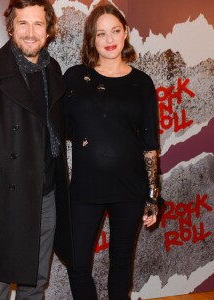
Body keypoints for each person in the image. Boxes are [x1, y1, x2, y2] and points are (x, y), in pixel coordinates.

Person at [0, 0, 72, 299]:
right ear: (10, 27)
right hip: (0, 204)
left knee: (36, 284)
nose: (31, 32)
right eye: (23, 23)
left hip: (46, 196)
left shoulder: (53, 70)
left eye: (38, 24)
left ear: (48, 30)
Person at [64, 4, 160, 300]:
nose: (109, 39)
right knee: (77, 264)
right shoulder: (74, 78)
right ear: (91, 39)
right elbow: (61, 129)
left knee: (121, 262)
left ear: (126, 33)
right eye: (101, 33)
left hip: (130, 189)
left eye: (115, 30)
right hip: (84, 188)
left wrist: (154, 197)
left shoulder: (142, 83)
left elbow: (149, 145)